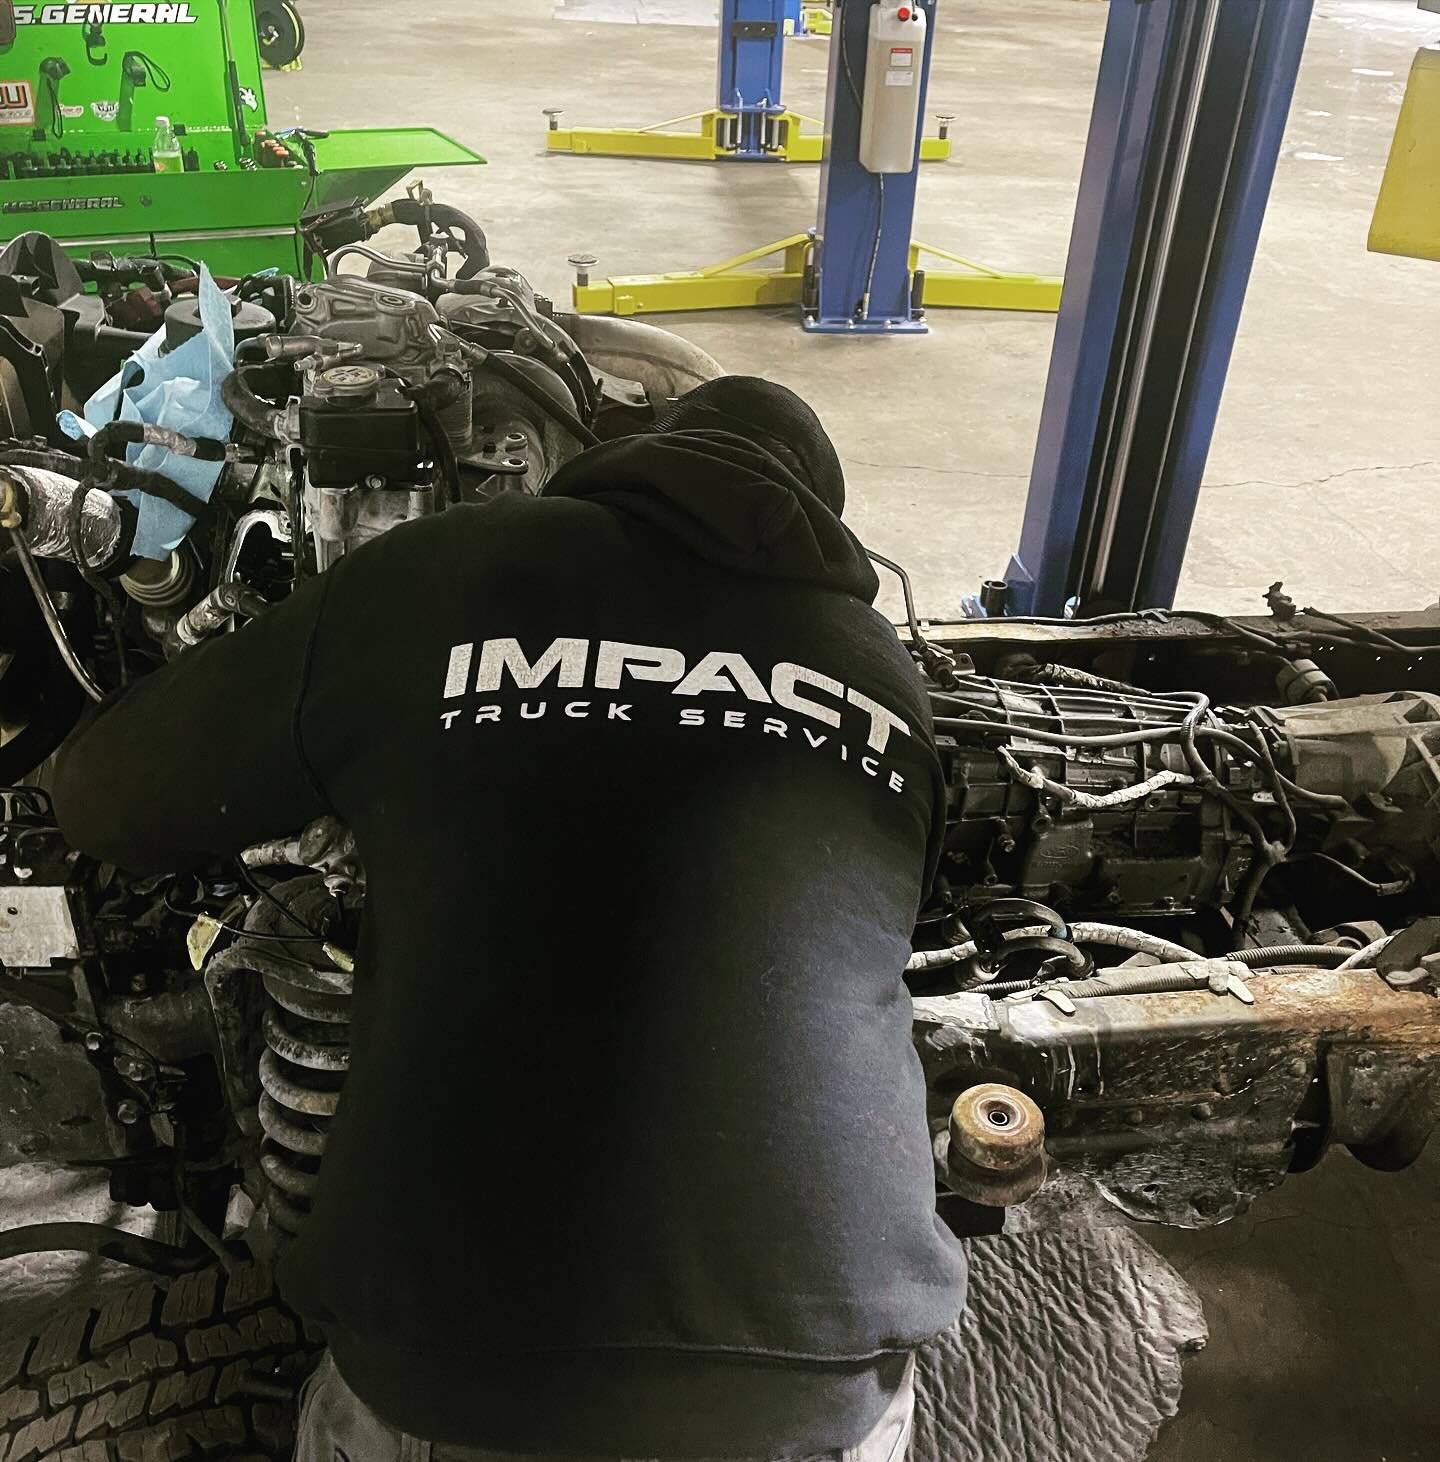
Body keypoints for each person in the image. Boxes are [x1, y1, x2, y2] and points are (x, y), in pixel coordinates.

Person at [52, 375, 967, 1462]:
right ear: (820, 516)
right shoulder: (884, 675)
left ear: (640, 456)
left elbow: (103, 795)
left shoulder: (436, 573)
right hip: (824, 1381)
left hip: (454, 1376)